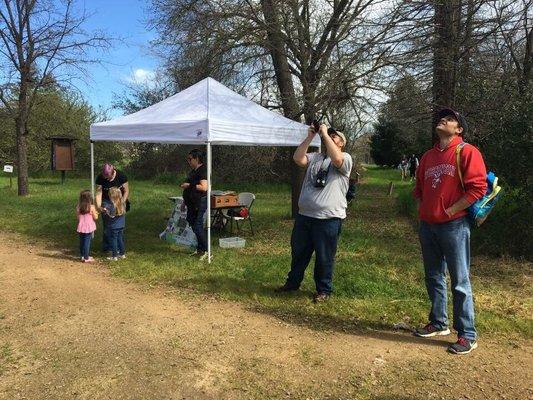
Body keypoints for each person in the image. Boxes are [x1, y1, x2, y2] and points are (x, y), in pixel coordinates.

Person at [413, 108, 487, 355]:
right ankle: (438, 322)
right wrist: (423, 214)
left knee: (460, 280)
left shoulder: (467, 151)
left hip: (454, 225)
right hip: (428, 226)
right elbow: (419, 190)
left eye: (450, 119)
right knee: (433, 276)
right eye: (442, 117)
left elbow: (477, 188)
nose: (443, 120)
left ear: (459, 129)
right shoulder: (428, 156)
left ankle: (467, 334)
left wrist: (451, 210)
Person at [277, 123, 353, 302]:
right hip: (305, 216)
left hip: (328, 219)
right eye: (329, 135)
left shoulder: (345, 158)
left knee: (324, 256)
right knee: (299, 253)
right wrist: (310, 136)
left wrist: (325, 134)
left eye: (335, 137)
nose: (330, 137)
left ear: (341, 143)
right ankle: (292, 283)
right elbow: (298, 158)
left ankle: (323, 290)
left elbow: (336, 160)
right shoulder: (315, 157)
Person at [181, 149, 208, 261]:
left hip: (199, 202)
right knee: (192, 223)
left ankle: (207, 250)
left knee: (198, 226)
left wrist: (189, 185)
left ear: (197, 159)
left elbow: (204, 187)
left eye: (190, 159)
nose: (189, 161)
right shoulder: (194, 171)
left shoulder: (203, 170)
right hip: (191, 202)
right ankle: (200, 249)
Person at [95, 164, 129, 253]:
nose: (107, 179)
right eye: (105, 177)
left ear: (113, 172)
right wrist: (99, 206)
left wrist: (122, 202)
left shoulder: (121, 176)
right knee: (107, 225)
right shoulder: (100, 178)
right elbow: (99, 193)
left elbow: (126, 191)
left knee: (118, 226)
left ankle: (118, 247)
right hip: (106, 200)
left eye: (108, 177)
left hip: (119, 200)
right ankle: (108, 247)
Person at [101, 187, 126, 261]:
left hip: (113, 226)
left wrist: (105, 211)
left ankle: (114, 256)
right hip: (121, 225)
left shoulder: (111, 205)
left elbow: (111, 216)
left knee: (113, 240)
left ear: (111, 196)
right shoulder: (122, 203)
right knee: (120, 239)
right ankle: (122, 254)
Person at [76, 190, 99, 263]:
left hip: (81, 226)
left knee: (82, 241)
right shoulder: (91, 207)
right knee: (87, 242)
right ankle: (86, 257)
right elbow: (96, 217)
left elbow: (78, 217)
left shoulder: (78, 207)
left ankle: (82, 255)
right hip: (88, 227)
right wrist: (96, 213)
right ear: (90, 198)